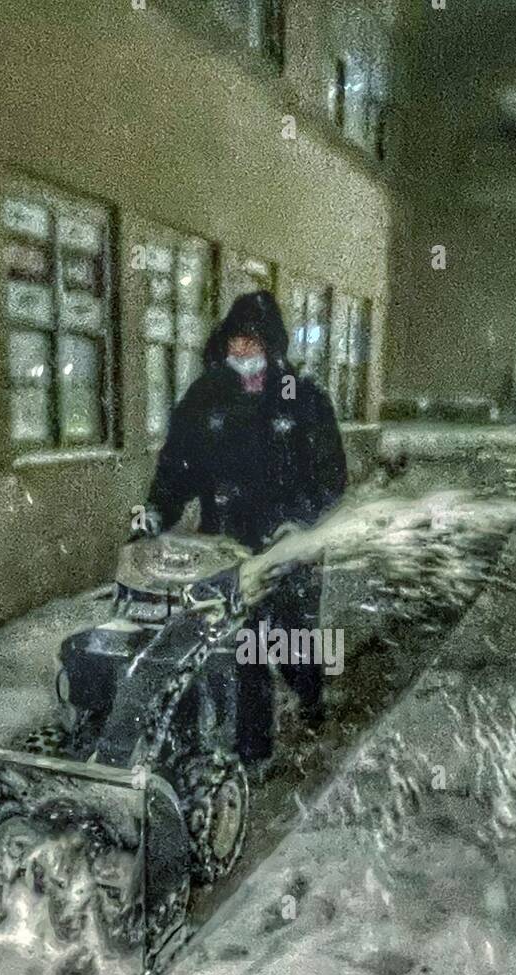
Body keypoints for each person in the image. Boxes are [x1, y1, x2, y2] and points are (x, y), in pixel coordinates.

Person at [142, 290, 347, 772]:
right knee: (245, 647)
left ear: (272, 347)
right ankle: (252, 750)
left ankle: (309, 694)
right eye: (236, 342)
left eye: (253, 343)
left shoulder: (302, 398)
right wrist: (154, 512)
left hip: (290, 546)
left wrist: (300, 519)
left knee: (293, 641)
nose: (243, 352)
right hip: (227, 547)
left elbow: (330, 476)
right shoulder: (204, 398)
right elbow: (176, 469)